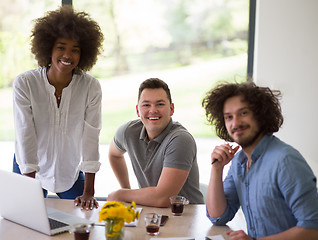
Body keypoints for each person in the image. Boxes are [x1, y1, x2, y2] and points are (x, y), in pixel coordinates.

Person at [202, 81, 318, 239]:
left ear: (260, 114)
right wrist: (217, 169)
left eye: (243, 113)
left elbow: (314, 229)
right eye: (229, 117)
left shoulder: (285, 160)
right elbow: (218, 216)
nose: (235, 123)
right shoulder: (239, 161)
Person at [13, 6, 104, 210]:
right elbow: (24, 133)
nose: (67, 55)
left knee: (84, 219)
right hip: (28, 167)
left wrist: (89, 191)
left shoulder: (91, 87)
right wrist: (29, 187)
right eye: (61, 47)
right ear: (48, 48)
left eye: (75, 49)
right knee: (23, 220)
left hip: (68, 170)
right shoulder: (25, 83)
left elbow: (91, 137)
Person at [107, 78, 204, 207]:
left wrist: (121, 194)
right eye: (146, 105)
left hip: (186, 216)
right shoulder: (128, 132)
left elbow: (164, 198)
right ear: (137, 110)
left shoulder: (181, 140)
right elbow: (114, 154)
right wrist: (126, 188)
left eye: (160, 104)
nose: (153, 110)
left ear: (172, 108)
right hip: (151, 213)